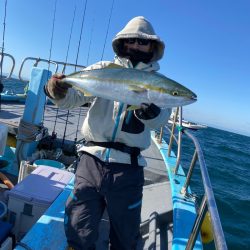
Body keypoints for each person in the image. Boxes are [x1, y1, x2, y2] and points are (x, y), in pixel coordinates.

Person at [45, 16, 170, 250]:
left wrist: (149, 108)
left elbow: (161, 120)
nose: (135, 46)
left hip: (128, 167)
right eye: (131, 40)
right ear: (122, 43)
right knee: (78, 225)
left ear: (152, 47)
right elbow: (75, 98)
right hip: (91, 160)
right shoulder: (102, 69)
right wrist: (57, 91)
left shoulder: (159, 82)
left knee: (125, 234)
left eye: (142, 42)